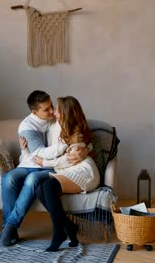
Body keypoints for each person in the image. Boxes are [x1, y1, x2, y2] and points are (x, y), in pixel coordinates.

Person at [0, 91, 88, 247]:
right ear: (35, 112)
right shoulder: (27, 126)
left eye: (52, 106)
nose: (52, 111)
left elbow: (80, 133)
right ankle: (8, 227)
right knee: (8, 178)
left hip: (50, 166)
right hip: (32, 163)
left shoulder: (56, 118)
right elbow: (39, 153)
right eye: (46, 109)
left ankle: (10, 226)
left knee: (32, 179)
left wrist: (85, 149)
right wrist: (66, 143)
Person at [30, 96, 100, 251]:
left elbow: (70, 160)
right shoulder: (56, 125)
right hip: (68, 170)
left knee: (48, 186)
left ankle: (58, 232)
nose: (54, 112)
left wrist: (45, 163)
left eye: (57, 110)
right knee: (39, 188)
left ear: (65, 113)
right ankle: (69, 227)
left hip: (84, 171)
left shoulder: (75, 132)